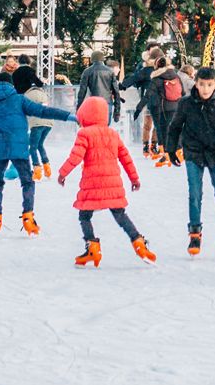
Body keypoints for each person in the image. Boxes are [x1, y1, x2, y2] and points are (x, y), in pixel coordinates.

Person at [0, 74, 74, 237]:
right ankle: (28, 216)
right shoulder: (19, 100)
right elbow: (42, 111)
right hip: (18, 147)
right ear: (11, 85)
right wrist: (68, 116)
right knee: (27, 181)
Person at [59, 95, 149, 266]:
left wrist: (63, 173)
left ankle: (92, 247)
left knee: (84, 216)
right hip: (112, 184)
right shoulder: (112, 134)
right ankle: (138, 242)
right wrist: (134, 178)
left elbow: (76, 156)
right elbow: (125, 157)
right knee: (120, 215)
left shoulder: (84, 133)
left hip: (92, 184)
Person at [174, 66, 215, 257]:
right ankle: (195, 233)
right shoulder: (186, 104)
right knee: (195, 194)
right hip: (193, 153)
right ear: (196, 83)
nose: (205, 89)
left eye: (209, 85)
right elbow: (175, 126)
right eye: (202, 84)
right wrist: (172, 149)